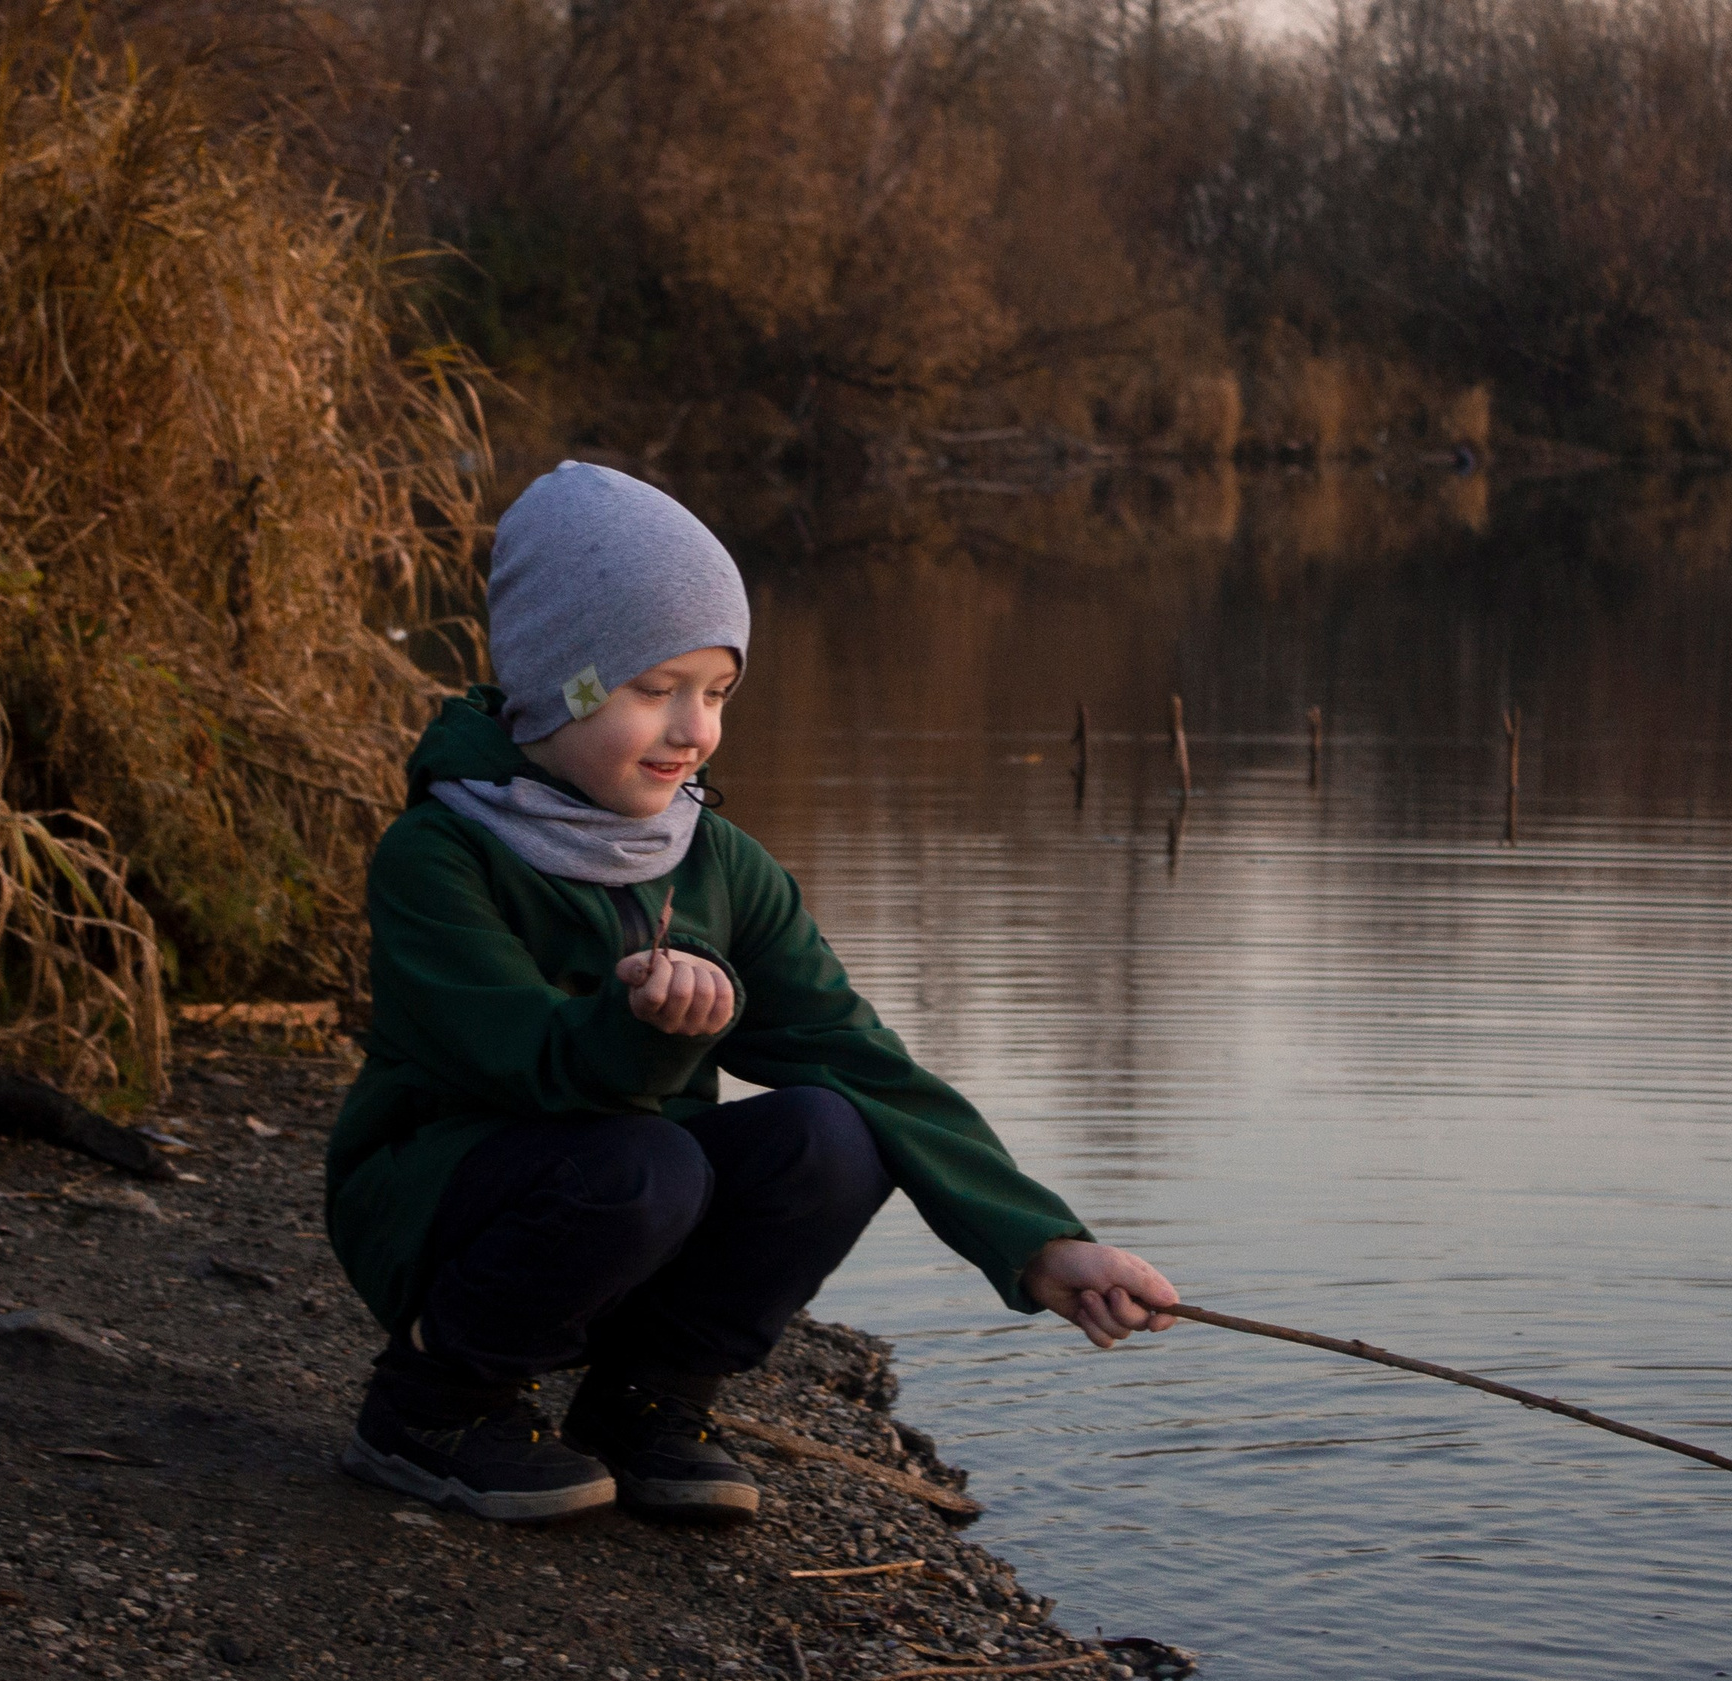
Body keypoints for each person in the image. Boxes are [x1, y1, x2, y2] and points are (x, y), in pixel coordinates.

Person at [323, 461, 1177, 1525]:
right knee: (643, 1162)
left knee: (829, 1132)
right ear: (561, 683)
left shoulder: (720, 863)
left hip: (630, 1196)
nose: (694, 731)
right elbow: (523, 1059)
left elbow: (864, 1063)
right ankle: (432, 1404)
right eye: (654, 689)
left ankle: (647, 1400)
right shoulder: (437, 855)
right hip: (442, 1200)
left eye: (717, 692)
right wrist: (634, 1023)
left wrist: (1039, 1242)